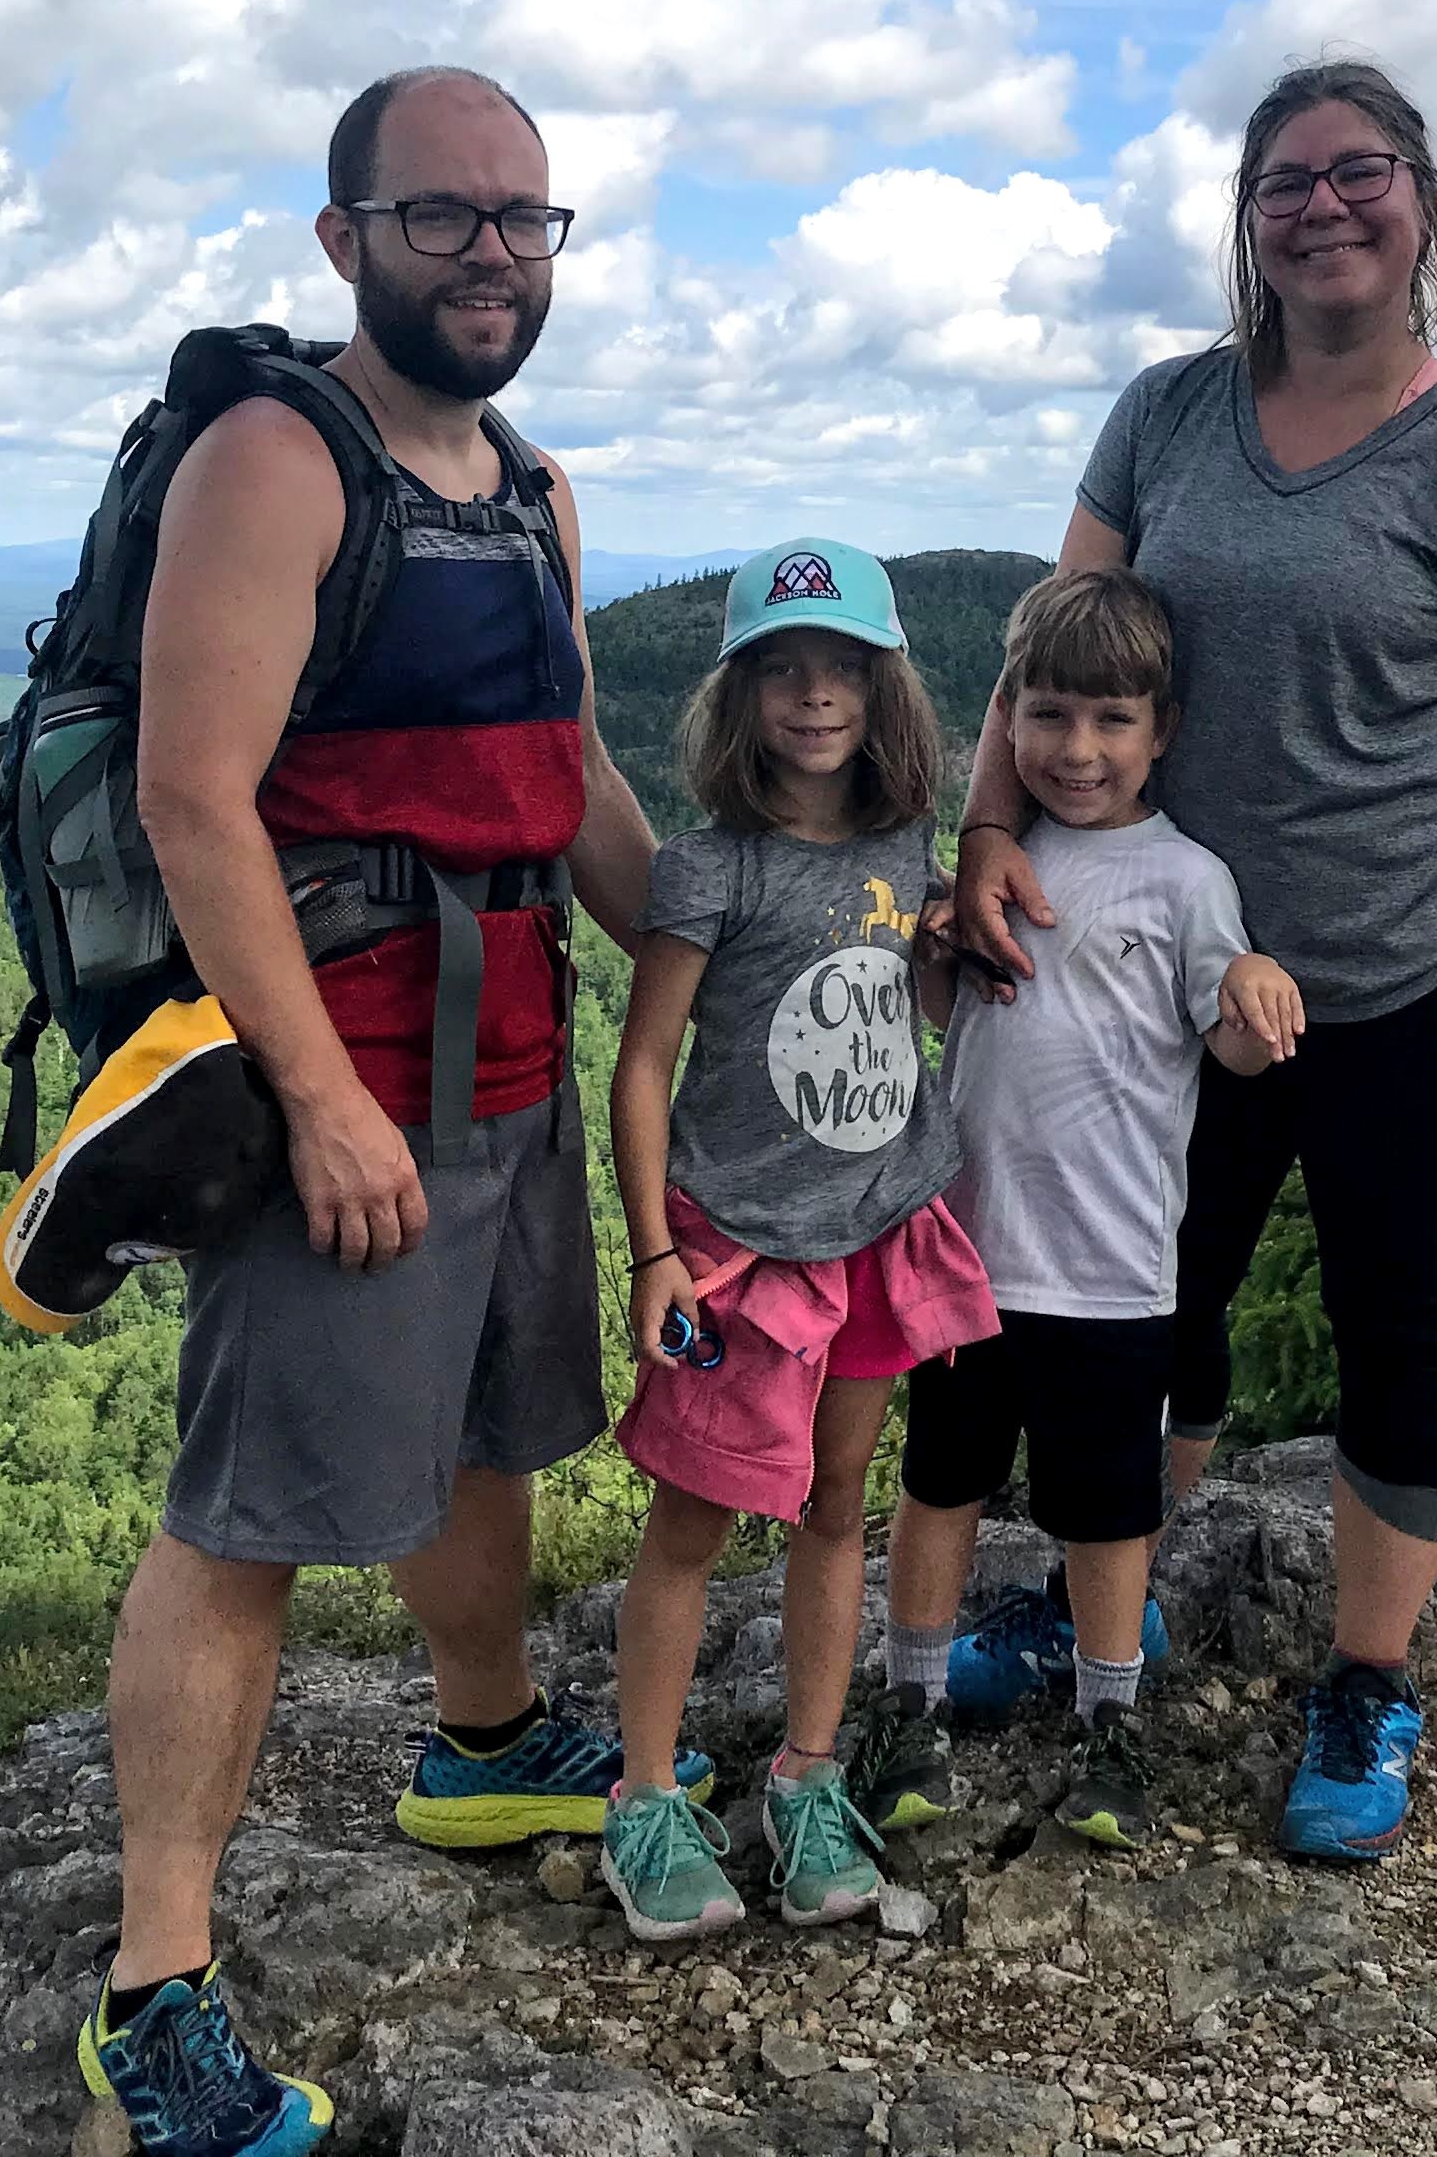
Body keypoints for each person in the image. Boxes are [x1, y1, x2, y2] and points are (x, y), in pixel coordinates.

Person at [85, 67, 695, 2157]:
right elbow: (191, 797)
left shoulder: (531, 486)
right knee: (249, 1514)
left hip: (514, 1058)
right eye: (445, 218)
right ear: (347, 239)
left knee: (486, 1431)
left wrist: (757, 946)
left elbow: (577, 782)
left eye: (528, 221)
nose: (495, 256)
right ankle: (155, 1983)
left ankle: (483, 1744)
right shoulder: (276, 462)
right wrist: (324, 1100)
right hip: (335, 1082)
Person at [951, 57, 1437, 1866]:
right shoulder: (1170, 412)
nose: (1323, 208)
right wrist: (987, 834)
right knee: (1145, 1287)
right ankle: (1123, 1595)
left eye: (1361, 175)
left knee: (1390, 1308)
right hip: (1167, 961)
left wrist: (1409, 790)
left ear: (1421, 202)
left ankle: (1363, 1674)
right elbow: (1048, 648)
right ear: (1246, 219)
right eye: (1286, 183)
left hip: (1415, 958)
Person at [856, 568, 1302, 1850]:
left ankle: (1113, 1723)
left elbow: (1220, 1033)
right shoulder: (997, 864)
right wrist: (936, 955)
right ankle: (912, 1704)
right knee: (940, 1483)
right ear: (1010, 724)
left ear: (1163, 730)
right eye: (1048, 717)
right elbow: (947, 1031)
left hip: (1112, 1269)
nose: (1079, 749)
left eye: (1112, 720)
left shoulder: (1185, 882)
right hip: (966, 1257)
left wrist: (1255, 993)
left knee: (1108, 1509)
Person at [598, 541, 1000, 1941]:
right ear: (740, 694)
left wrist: (949, 942)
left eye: (841, 668)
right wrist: (654, 1252)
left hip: (879, 1227)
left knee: (839, 1506)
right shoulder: (708, 871)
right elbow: (643, 1065)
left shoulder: (906, 850)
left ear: (885, 692)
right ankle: (646, 1802)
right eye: (782, 669)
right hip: (744, 1247)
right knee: (696, 1517)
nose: (814, 695)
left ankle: (809, 1779)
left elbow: (918, 1013)